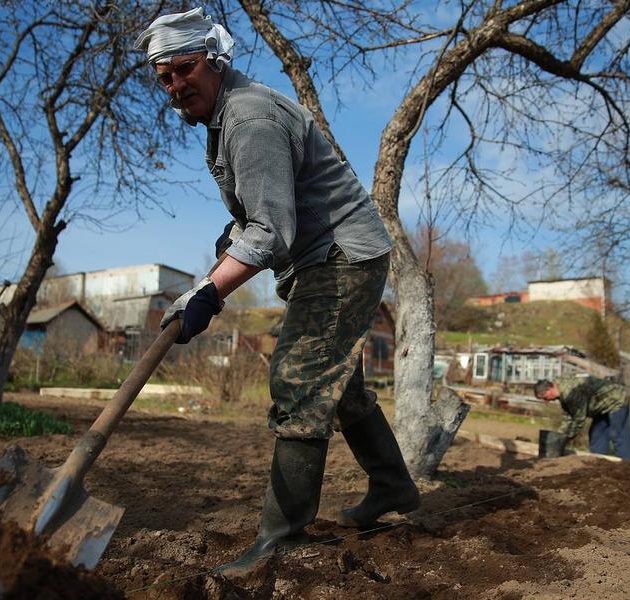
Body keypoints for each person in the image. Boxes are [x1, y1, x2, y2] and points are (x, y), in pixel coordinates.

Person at [135, 8, 419, 576]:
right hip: (324, 257)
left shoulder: (249, 119)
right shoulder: (225, 117)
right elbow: (257, 216)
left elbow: (270, 231)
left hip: (340, 256)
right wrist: (222, 258)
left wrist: (208, 294)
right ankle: (392, 486)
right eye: (163, 77)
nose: (174, 86)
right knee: (336, 385)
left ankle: (283, 537)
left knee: (298, 378)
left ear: (214, 62)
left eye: (184, 69)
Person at [533, 374, 630, 461]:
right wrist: (561, 434)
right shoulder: (561, 391)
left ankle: (626, 464)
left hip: (616, 399)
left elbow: (579, 418)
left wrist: (566, 438)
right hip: (600, 405)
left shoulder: (570, 393)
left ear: (549, 390)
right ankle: (599, 462)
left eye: (545, 397)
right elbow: (569, 415)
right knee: (596, 435)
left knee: (617, 434)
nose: (546, 401)